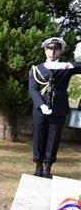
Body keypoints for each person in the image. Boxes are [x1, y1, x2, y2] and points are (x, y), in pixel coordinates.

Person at [28, 37, 81, 178]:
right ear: (45, 51)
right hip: (41, 109)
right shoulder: (36, 69)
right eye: (50, 48)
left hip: (58, 108)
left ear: (61, 51)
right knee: (39, 136)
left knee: (53, 138)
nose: (53, 51)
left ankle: (47, 167)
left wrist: (70, 66)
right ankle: (38, 165)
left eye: (56, 49)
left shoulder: (65, 68)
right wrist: (42, 105)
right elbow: (33, 89)